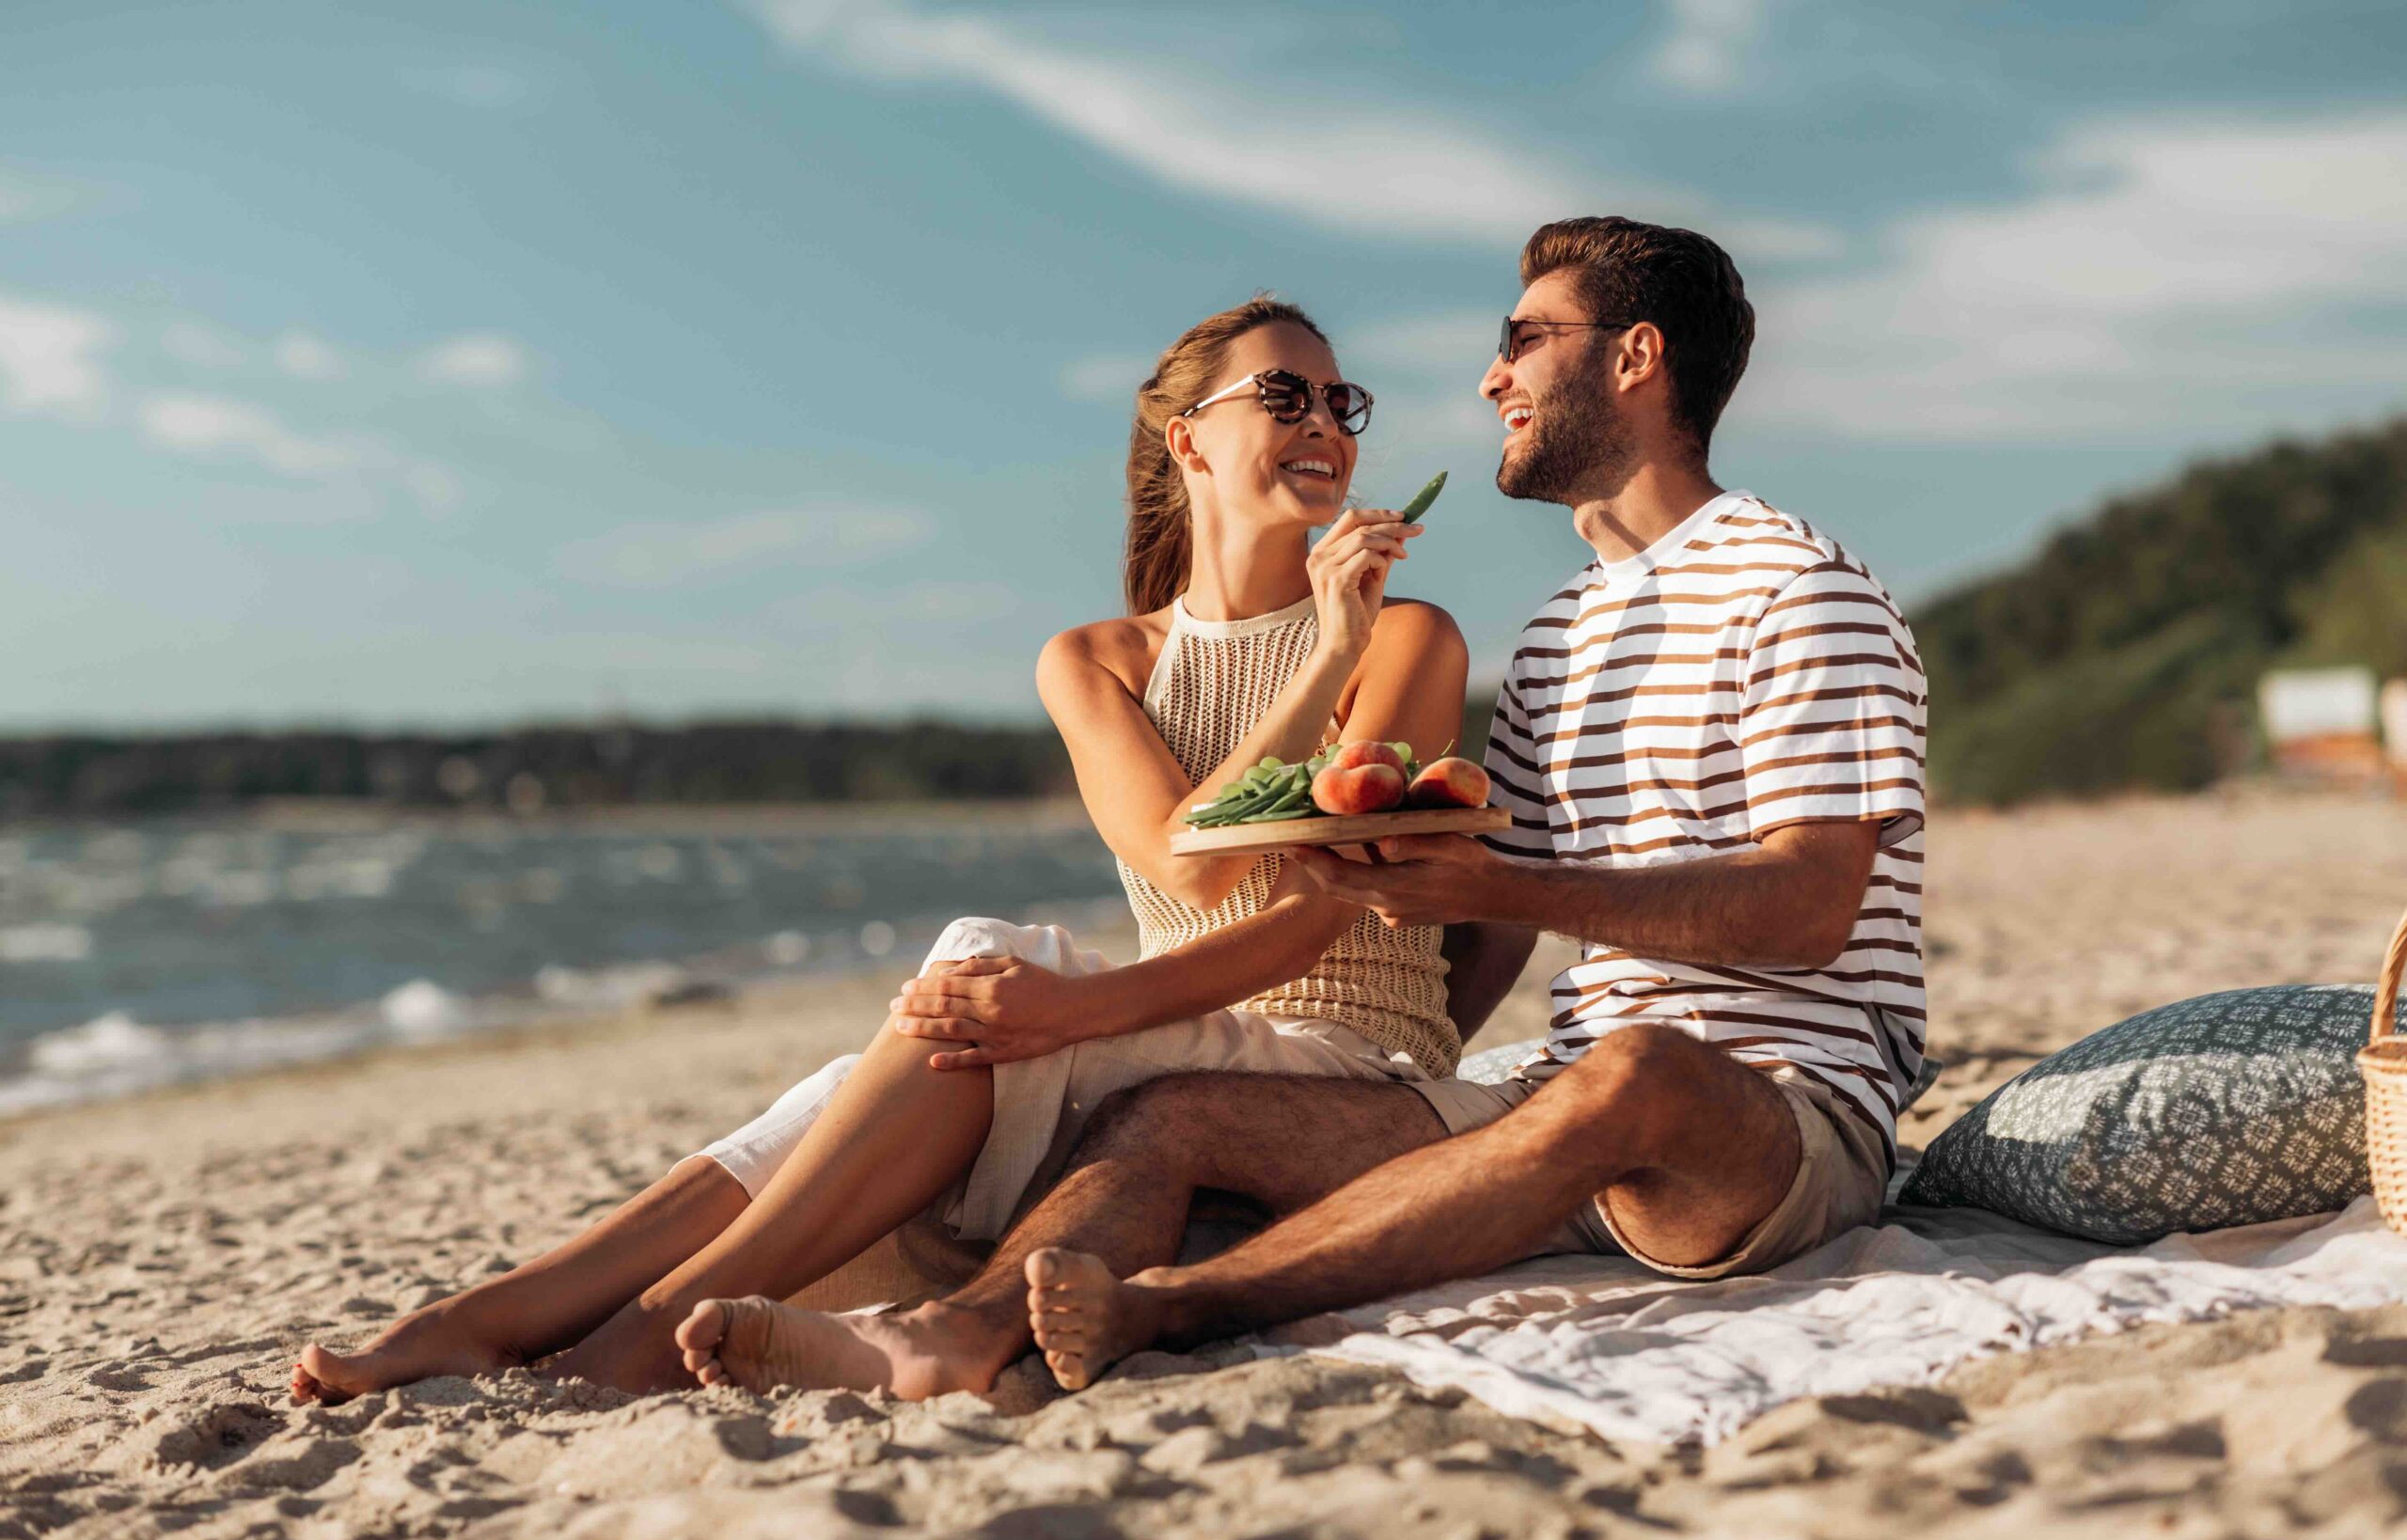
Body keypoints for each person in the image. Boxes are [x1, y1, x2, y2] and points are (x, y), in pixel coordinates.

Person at [674, 215, 1928, 1397]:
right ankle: (957, 1333)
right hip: (1550, 1097)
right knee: (1170, 1113)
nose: (1492, 377)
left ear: (1639, 358)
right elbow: (1488, 942)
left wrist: (1497, 886)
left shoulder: (1796, 587)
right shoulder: (1556, 638)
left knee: (1639, 1069)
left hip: (1782, 1114)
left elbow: (1810, 906)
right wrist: (1406, 1078)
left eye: (1526, 338)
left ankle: (1172, 1304)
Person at [290, 296, 1471, 1403]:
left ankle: (608, 1323)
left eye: (1340, 403)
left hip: (1345, 1056)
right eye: (1284, 396)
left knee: (970, 990)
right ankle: (513, 1310)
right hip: (1164, 1033)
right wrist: (1068, 1010)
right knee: (909, 1042)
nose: (1323, 425)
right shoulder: (1095, 659)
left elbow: (1285, 908)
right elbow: (1180, 857)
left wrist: (1331, 651)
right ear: (1187, 442)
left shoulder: (1404, 641)